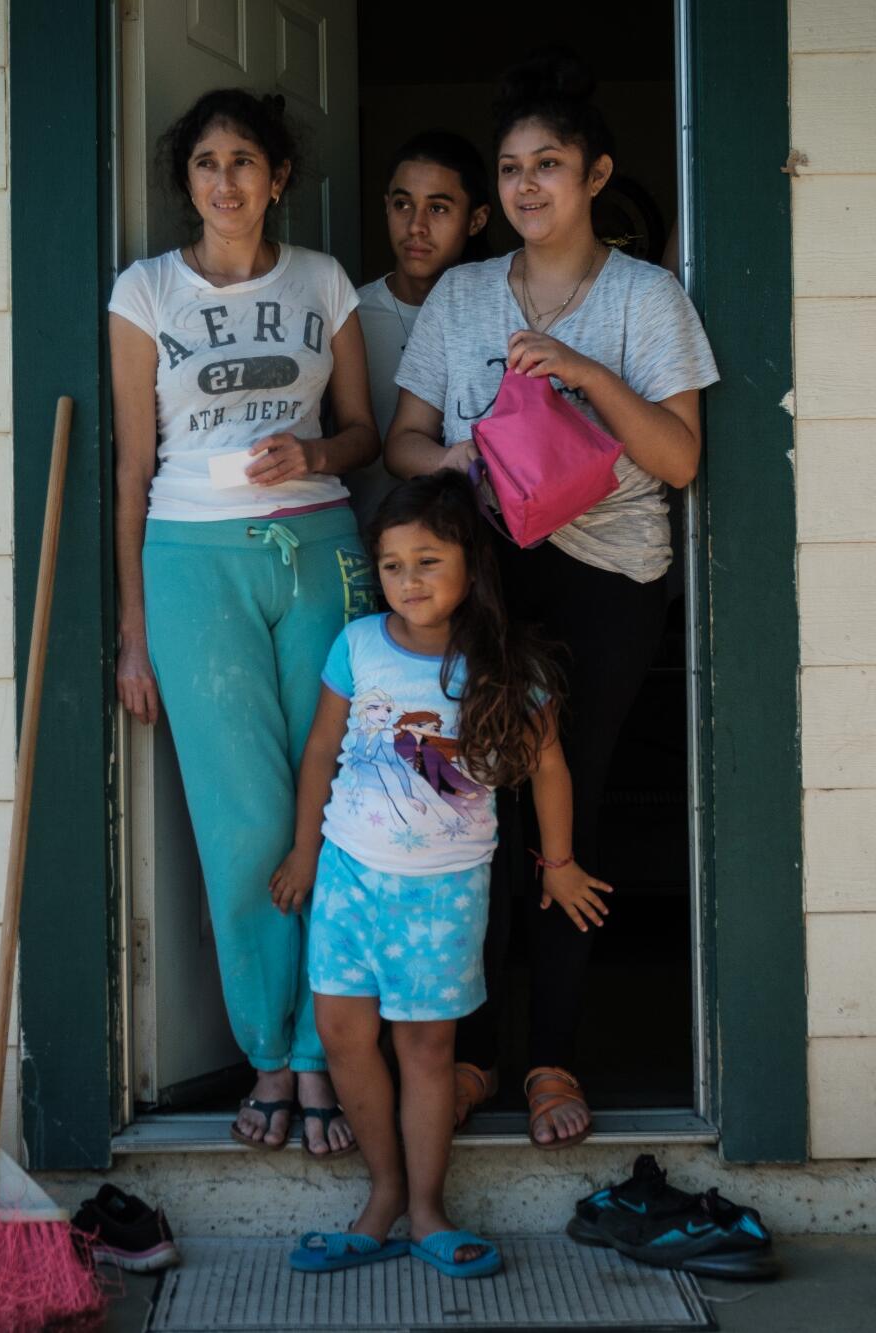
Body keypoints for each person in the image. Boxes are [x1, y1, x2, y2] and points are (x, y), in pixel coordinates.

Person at [384, 50, 720, 1148]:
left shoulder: (644, 296)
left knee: (570, 807)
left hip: (608, 579)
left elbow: (676, 459)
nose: (527, 186)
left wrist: (582, 371)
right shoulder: (465, 294)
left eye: (549, 166)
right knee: (472, 800)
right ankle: (476, 1050)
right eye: (512, 168)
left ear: (595, 176)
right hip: (485, 570)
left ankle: (553, 1054)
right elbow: (402, 439)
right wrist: (465, 467)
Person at [108, 88, 380, 1157]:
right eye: (206, 164)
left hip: (319, 548)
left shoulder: (320, 281)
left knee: (341, 804)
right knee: (242, 825)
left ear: (277, 179)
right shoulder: (144, 292)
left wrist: (309, 456)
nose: (225, 182)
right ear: (188, 180)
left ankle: (327, 1055)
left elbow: (360, 430)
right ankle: (272, 1049)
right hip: (190, 561)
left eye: (244, 162)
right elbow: (133, 468)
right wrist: (134, 631)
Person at [274, 472, 605, 1278]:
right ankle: (382, 1194)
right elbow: (322, 749)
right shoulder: (356, 646)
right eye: (392, 565)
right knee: (346, 1036)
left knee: (427, 1047)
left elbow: (550, 764)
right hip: (351, 877)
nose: (409, 581)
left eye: (428, 560)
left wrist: (557, 866)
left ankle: (426, 1209)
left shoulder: (501, 662)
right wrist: (304, 851)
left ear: (470, 566)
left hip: (445, 892)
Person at [346, 131, 491, 525]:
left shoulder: (499, 318)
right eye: (402, 204)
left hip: (472, 549)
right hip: (367, 550)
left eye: (439, 209)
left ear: (476, 219)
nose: (416, 226)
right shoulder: (348, 317)